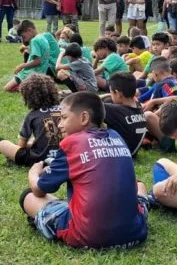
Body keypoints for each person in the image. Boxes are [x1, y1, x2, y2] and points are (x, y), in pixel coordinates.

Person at [20, 91, 149, 249]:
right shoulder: (116, 136)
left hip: (88, 236)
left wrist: (33, 172)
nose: (59, 124)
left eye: (64, 118)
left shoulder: (72, 143)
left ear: (84, 118)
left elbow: (39, 190)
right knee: (140, 185)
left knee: (28, 197)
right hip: (134, 232)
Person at [0, 73, 62, 166]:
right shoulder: (65, 109)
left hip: (39, 159)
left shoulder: (32, 116)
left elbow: (21, 146)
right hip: (65, 156)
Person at [102, 72, 148, 156]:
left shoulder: (114, 110)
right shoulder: (138, 106)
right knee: (108, 101)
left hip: (120, 152)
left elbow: (90, 103)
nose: (110, 94)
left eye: (111, 92)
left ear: (118, 94)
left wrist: (101, 96)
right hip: (132, 150)